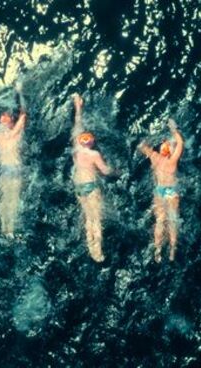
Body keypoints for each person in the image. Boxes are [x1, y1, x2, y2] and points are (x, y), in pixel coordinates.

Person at [71, 94, 114, 262]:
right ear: (92, 141)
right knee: (96, 219)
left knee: (88, 218)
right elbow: (104, 170)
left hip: (79, 188)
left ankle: (91, 248)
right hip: (90, 186)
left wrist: (78, 107)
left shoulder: (76, 149)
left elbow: (77, 124)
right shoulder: (94, 153)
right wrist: (115, 171)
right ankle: (98, 252)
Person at [138, 119, 184, 262]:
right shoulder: (172, 161)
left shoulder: (155, 158)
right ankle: (171, 251)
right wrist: (173, 129)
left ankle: (157, 251)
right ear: (170, 151)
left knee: (160, 220)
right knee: (172, 221)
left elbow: (142, 147)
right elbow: (181, 143)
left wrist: (149, 140)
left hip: (159, 191)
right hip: (170, 191)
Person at [0, 103, 27, 239]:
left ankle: (9, 230)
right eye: (3, 115)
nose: (5, 117)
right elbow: (9, 136)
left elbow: (17, 130)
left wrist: (22, 117)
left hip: (15, 170)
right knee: (4, 200)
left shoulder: (15, 133)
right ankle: (3, 229)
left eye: (7, 116)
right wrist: (22, 118)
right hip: (5, 170)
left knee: (13, 201)